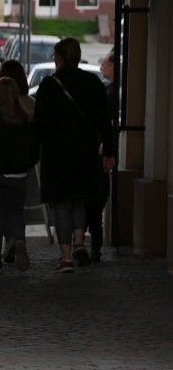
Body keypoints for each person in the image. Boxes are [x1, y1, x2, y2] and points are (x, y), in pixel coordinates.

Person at [35, 38, 114, 272]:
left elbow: (40, 125)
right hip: (86, 152)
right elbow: (104, 123)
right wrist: (108, 152)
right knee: (79, 199)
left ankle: (66, 257)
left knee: (61, 204)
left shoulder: (49, 86)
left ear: (58, 58)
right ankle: (80, 242)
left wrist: (33, 152)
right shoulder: (93, 83)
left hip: (57, 153)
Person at [0, 78, 39, 273]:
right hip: (18, 174)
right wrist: (26, 166)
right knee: (16, 213)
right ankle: (20, 240)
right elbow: (34, 149)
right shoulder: (25, 119)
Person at [83, 49, 118, 262]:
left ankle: (84, 242)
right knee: (96, 206)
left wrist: (106, 151)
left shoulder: (111, 94)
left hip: (96, 159)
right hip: (99, 160)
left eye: (104, 64)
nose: (101, 67)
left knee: (91, 205)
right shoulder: (108, 92)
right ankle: (93, 244)